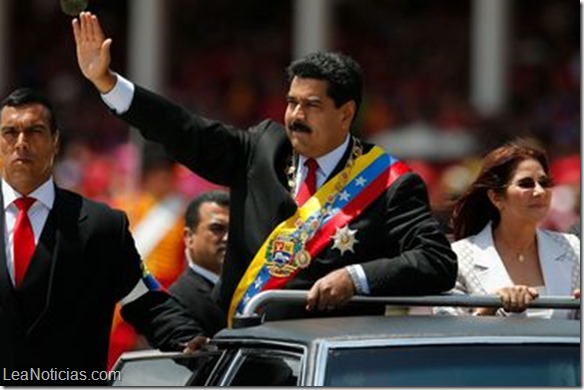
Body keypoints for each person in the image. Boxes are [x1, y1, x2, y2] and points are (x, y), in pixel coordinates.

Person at [72, 12, 457, 327]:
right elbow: (184, 129)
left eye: (311, 106)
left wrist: (356, 278)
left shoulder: (389, 182)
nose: (295, 116)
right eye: (291, 102)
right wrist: (108, 84)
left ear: (347, 113)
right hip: (246, 354)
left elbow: (437, 261)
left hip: (330, 365)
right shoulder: (261, 149)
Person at [0, 88, 203, 385]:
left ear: (55, 142)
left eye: (35, 131)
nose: (21, 143)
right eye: (9, 132)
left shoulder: (101, 225)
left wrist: (186, 338)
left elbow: (145, 301)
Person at [435, 139, 580, 318]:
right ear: (496, 197)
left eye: (544, 182)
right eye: (526, 184)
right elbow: (448, 333)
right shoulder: (458, 257)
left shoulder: (572, 248)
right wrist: (490, 307)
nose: (540, 191)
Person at [170, 190, 230, 336]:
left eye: (235, 229)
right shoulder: (176, 301)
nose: (227, 237)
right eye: (217, 229)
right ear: (189, 237)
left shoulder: (254, 289)